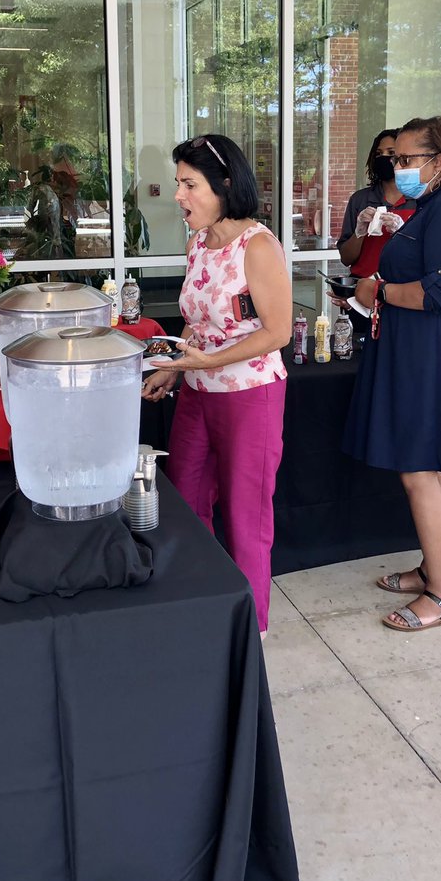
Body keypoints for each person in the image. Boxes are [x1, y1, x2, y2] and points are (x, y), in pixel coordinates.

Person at [141, 134, 291, 636]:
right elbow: (197, 323)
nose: (179, 195)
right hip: (199, 395)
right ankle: (202, 607)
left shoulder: (260, 246)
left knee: (247, 516)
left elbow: (278, 332)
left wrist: (208, 361)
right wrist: (173, 367)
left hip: (250, 397)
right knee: (185, 501)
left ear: (225, 185)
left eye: (190, 184)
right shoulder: (198, 244)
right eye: (179, 183)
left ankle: (251, 630)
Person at [343, 115, 441, 632]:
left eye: (406, 160)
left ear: (439, 161)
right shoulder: (431, 206)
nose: (397, 168)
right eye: (395, 160)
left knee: (421, 468)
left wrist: (376, 290)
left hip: (434, 349)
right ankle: (433, 568)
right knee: (433, 466)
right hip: (418, 346)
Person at [337, 129, 417, 279]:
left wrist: (402, 233)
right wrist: (359, 233)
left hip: (402, 289)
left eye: (391, 153)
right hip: (360, 288)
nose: (384, 158)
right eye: (379, 154)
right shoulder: (360, 200)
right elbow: (346, 259)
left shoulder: (419, 200)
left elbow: (426, 255)